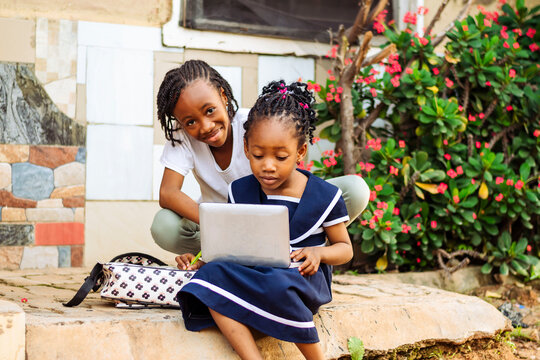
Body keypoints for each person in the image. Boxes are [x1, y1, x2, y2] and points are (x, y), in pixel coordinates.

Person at [176, 80, 353, 360]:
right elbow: (231, 244)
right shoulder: (241, 190)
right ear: (246, 149)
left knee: (279, 283)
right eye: (258, 155)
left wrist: (318, 253)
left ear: (300, 153)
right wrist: (202, 259)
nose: (268, 165)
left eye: (280, 157)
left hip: (302, 277)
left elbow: (345, 248)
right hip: (256, 271)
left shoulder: (324, 195)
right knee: (209, 276)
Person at [151, 59, 368, 258]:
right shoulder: (183, 139)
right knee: (164, 226)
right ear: (179, 122)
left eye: (209, 110)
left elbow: (292, 173)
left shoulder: (255, 124)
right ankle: (227, 254)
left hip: (284, 217)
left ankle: (305, 249)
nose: (205, 126)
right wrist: (224, 222)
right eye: (190, 122)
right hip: (225, 226)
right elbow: (168, 193)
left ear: (223, 97)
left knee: (355, 189)